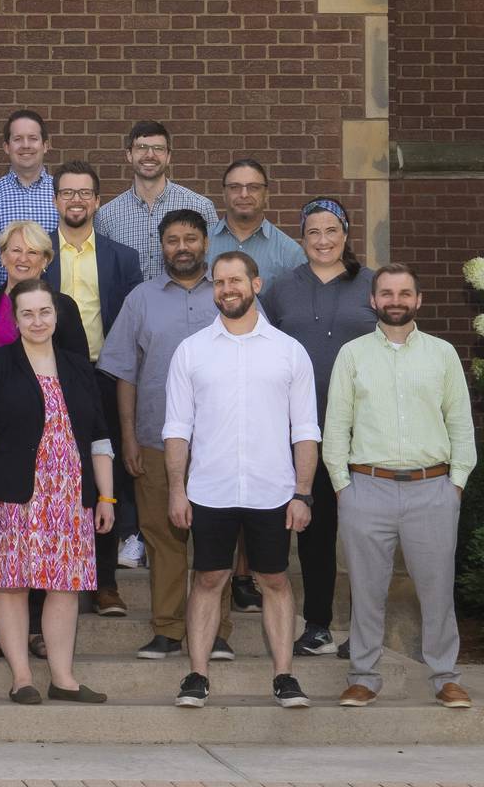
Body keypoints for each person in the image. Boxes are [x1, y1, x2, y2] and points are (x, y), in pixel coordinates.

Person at [164, 252, 319, 710]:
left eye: (236, 280)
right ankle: (196, 676)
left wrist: (303, 493)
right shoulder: (191, 350)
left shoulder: (289, 351)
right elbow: (177, 428)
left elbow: (306, 429)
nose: (227, 288)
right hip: (209, 489)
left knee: (274, 579)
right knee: (209, 577)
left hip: (272, 489)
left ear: (256, 282)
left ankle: (285, 676)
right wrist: (176, 488)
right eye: (219, 282)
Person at [324, 263, 475, 709]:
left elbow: (461, 424)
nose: (395, 301)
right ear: (373, 300)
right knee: (367, 590)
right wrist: (342, 487)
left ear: (418, 300)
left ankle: (445, 676)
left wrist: (457, 484)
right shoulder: (352, 355)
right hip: (366, 488)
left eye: (404, 293)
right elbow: (337, 427)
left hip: (433, 489)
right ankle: (364, 677)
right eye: (386, 293)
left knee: (437, 588)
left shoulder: (443, 354)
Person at [0, 278, 115, 705]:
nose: (37, 320)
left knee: (65, 586)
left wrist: (105, 496)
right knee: (10, 583)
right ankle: (22, 677)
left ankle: (63, 678)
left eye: (44, 312)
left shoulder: (78, 367)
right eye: (27, 313)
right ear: (15, 320)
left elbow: (99, 437)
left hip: (69, 495)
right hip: (11, 494)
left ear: (56, 315)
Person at [97, 209, 235, 661]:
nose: (182, 247)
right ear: (162, 246)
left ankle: (216, 632)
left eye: (190, 239)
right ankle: (169, 629)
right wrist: (130, 439)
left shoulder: (230, 293)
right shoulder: (141, 299)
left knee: (216, 537)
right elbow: (124, 373)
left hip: (222, 442)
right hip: (155, 439)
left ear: (205, 244)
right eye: (172, 239)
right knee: (162, 536)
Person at [0, 221, 88, 658]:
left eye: (32, 252)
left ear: (46, 261)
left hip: (52, 453)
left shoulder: (59, 306)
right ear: (1, 256)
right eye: (13, 250)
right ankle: (1, 630)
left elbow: (79, 378)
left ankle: (42, 630)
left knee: (47, 541)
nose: (21, 258)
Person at [261, 197, 376, 657]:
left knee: (366, 534)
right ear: (301, 238)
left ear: (346, 234)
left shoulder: (372, 284)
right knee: (314, 531)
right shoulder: (281, 288)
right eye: (313, 232)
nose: (323, 240)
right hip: (301, 432)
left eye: (332, 231)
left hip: (364, 432)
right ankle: (319, 625)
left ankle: (366, 631)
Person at [42, 160, 144, 614]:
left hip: (102, 377)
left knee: (105, 476)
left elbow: (133, 323)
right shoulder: (38, 252)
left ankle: (104, 584)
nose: (76, 200)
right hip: (46, 377)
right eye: (67, 192)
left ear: (98, 201)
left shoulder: (123, 257)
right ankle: (43, 578)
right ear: (55, 199)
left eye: (85, 192)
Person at [93, 121, 219, 282]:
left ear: (168, 156)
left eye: (158, 149)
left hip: (186, 305)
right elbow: (104, 273)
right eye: (142, 148)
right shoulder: (106, 216)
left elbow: (214, 267)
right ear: (129, 154)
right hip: (129, 305)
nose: (150, 155)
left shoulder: (200, 207)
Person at [0, 109, 59, 293]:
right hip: (1, 305)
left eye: (33, 138)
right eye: (18, 139)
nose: (26, 145)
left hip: (50, 307)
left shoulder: (61, 193)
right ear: (7, 147)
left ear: (45, 145)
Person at [207, 159, 303, 289]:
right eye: (235, 187)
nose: (244, 194)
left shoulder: (290, 253)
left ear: (266, 194)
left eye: (254, 187)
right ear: (224, 194)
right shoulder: (201, 246)